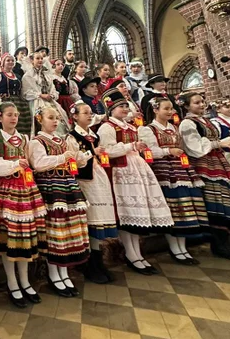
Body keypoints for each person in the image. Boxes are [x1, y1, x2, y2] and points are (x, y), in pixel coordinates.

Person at [97, 88, 174, 275]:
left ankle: (137, 254)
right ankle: (131, 255)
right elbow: (106, 150)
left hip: (136, 167)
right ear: (111, 109)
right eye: (120, 106)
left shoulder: (131, 127)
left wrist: (139, 148)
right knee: (127, 213)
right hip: (121, 171)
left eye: (125, 105)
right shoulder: (107, 127)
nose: (124, 109)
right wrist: (131, 146)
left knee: (136, 214)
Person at [0, 102, 46, 307]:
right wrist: (14, 165)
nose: (13, 118)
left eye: (16, 115)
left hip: (25, 189)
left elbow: (29, 161)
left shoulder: (24, 138)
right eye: (9, 115)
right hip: (5, 190)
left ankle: (25, 280)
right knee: (8, 238)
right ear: (0, 117)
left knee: (24, 237)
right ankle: (12, 282)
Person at [29, 106, 90, 297]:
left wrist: (81, 156)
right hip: (51, 187)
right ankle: (53, 272)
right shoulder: (36, 141)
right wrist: (62, 157)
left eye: (56, 118)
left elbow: (77, 161)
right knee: (54, 229)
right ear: (40, 119)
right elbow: (38, 164)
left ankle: (63, 271)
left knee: (67, 228)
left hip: (66, 185)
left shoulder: (61, 140)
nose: (55, 121)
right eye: (50, 118)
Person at [139, 96, 208, 264]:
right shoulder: (148, 129)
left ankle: (182, 247)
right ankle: (175, 247)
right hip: (164, 171)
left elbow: (183, 147)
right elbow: (149, 151)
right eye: (166, 109)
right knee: (173, 209)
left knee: (185, 208)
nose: (170, 112)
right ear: (156, 110)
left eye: (171, 109)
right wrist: (168, 150)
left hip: (181, 169)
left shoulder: (175, 128)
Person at [179, 92, 230, 259]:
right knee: (214, 202)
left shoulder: (205, 121)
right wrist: (219, 143)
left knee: (227, 198)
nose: (201, 104)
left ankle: (227, 241)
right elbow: (195, 148)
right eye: (197, 102)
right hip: (204, 165)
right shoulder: (187, 123)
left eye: (202, 101)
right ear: (187, 106)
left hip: (217, 162)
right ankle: (218, 244)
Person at [69, 102, 118, 283]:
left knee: (98, 221)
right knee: (90, 219)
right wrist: (92, 152)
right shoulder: (72, 136)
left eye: (90, 113)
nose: (89, 116)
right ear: (75, 116)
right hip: (84, 180)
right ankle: (89, 263)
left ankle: (98, 261)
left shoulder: (93, 135)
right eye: (85, 113)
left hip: (97, 175)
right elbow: (74, 160)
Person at [22, 50, 65, 135]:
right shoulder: (28, 75)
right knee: (43, 121)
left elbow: (52, 88)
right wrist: (40, 95)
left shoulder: (47, 74)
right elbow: (26, 92)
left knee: (58, 121)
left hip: (49, 101)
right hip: (37, 101)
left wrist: (52, 95)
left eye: (41, 58)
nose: (40, 60)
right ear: (32, 60)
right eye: (37, 58)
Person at [0, 53, 32, 135]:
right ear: (3, 63)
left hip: (19, 103)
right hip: (5, 101)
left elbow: (22, 90)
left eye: (12, 60)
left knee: (22, 122)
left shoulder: (18, 77)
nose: (10, 62)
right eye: (8, 60)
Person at [212, 99, 230, 177]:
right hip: (228, 154)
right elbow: (217, 141)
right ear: (217, 109)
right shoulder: (215, 122)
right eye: (227, 107)